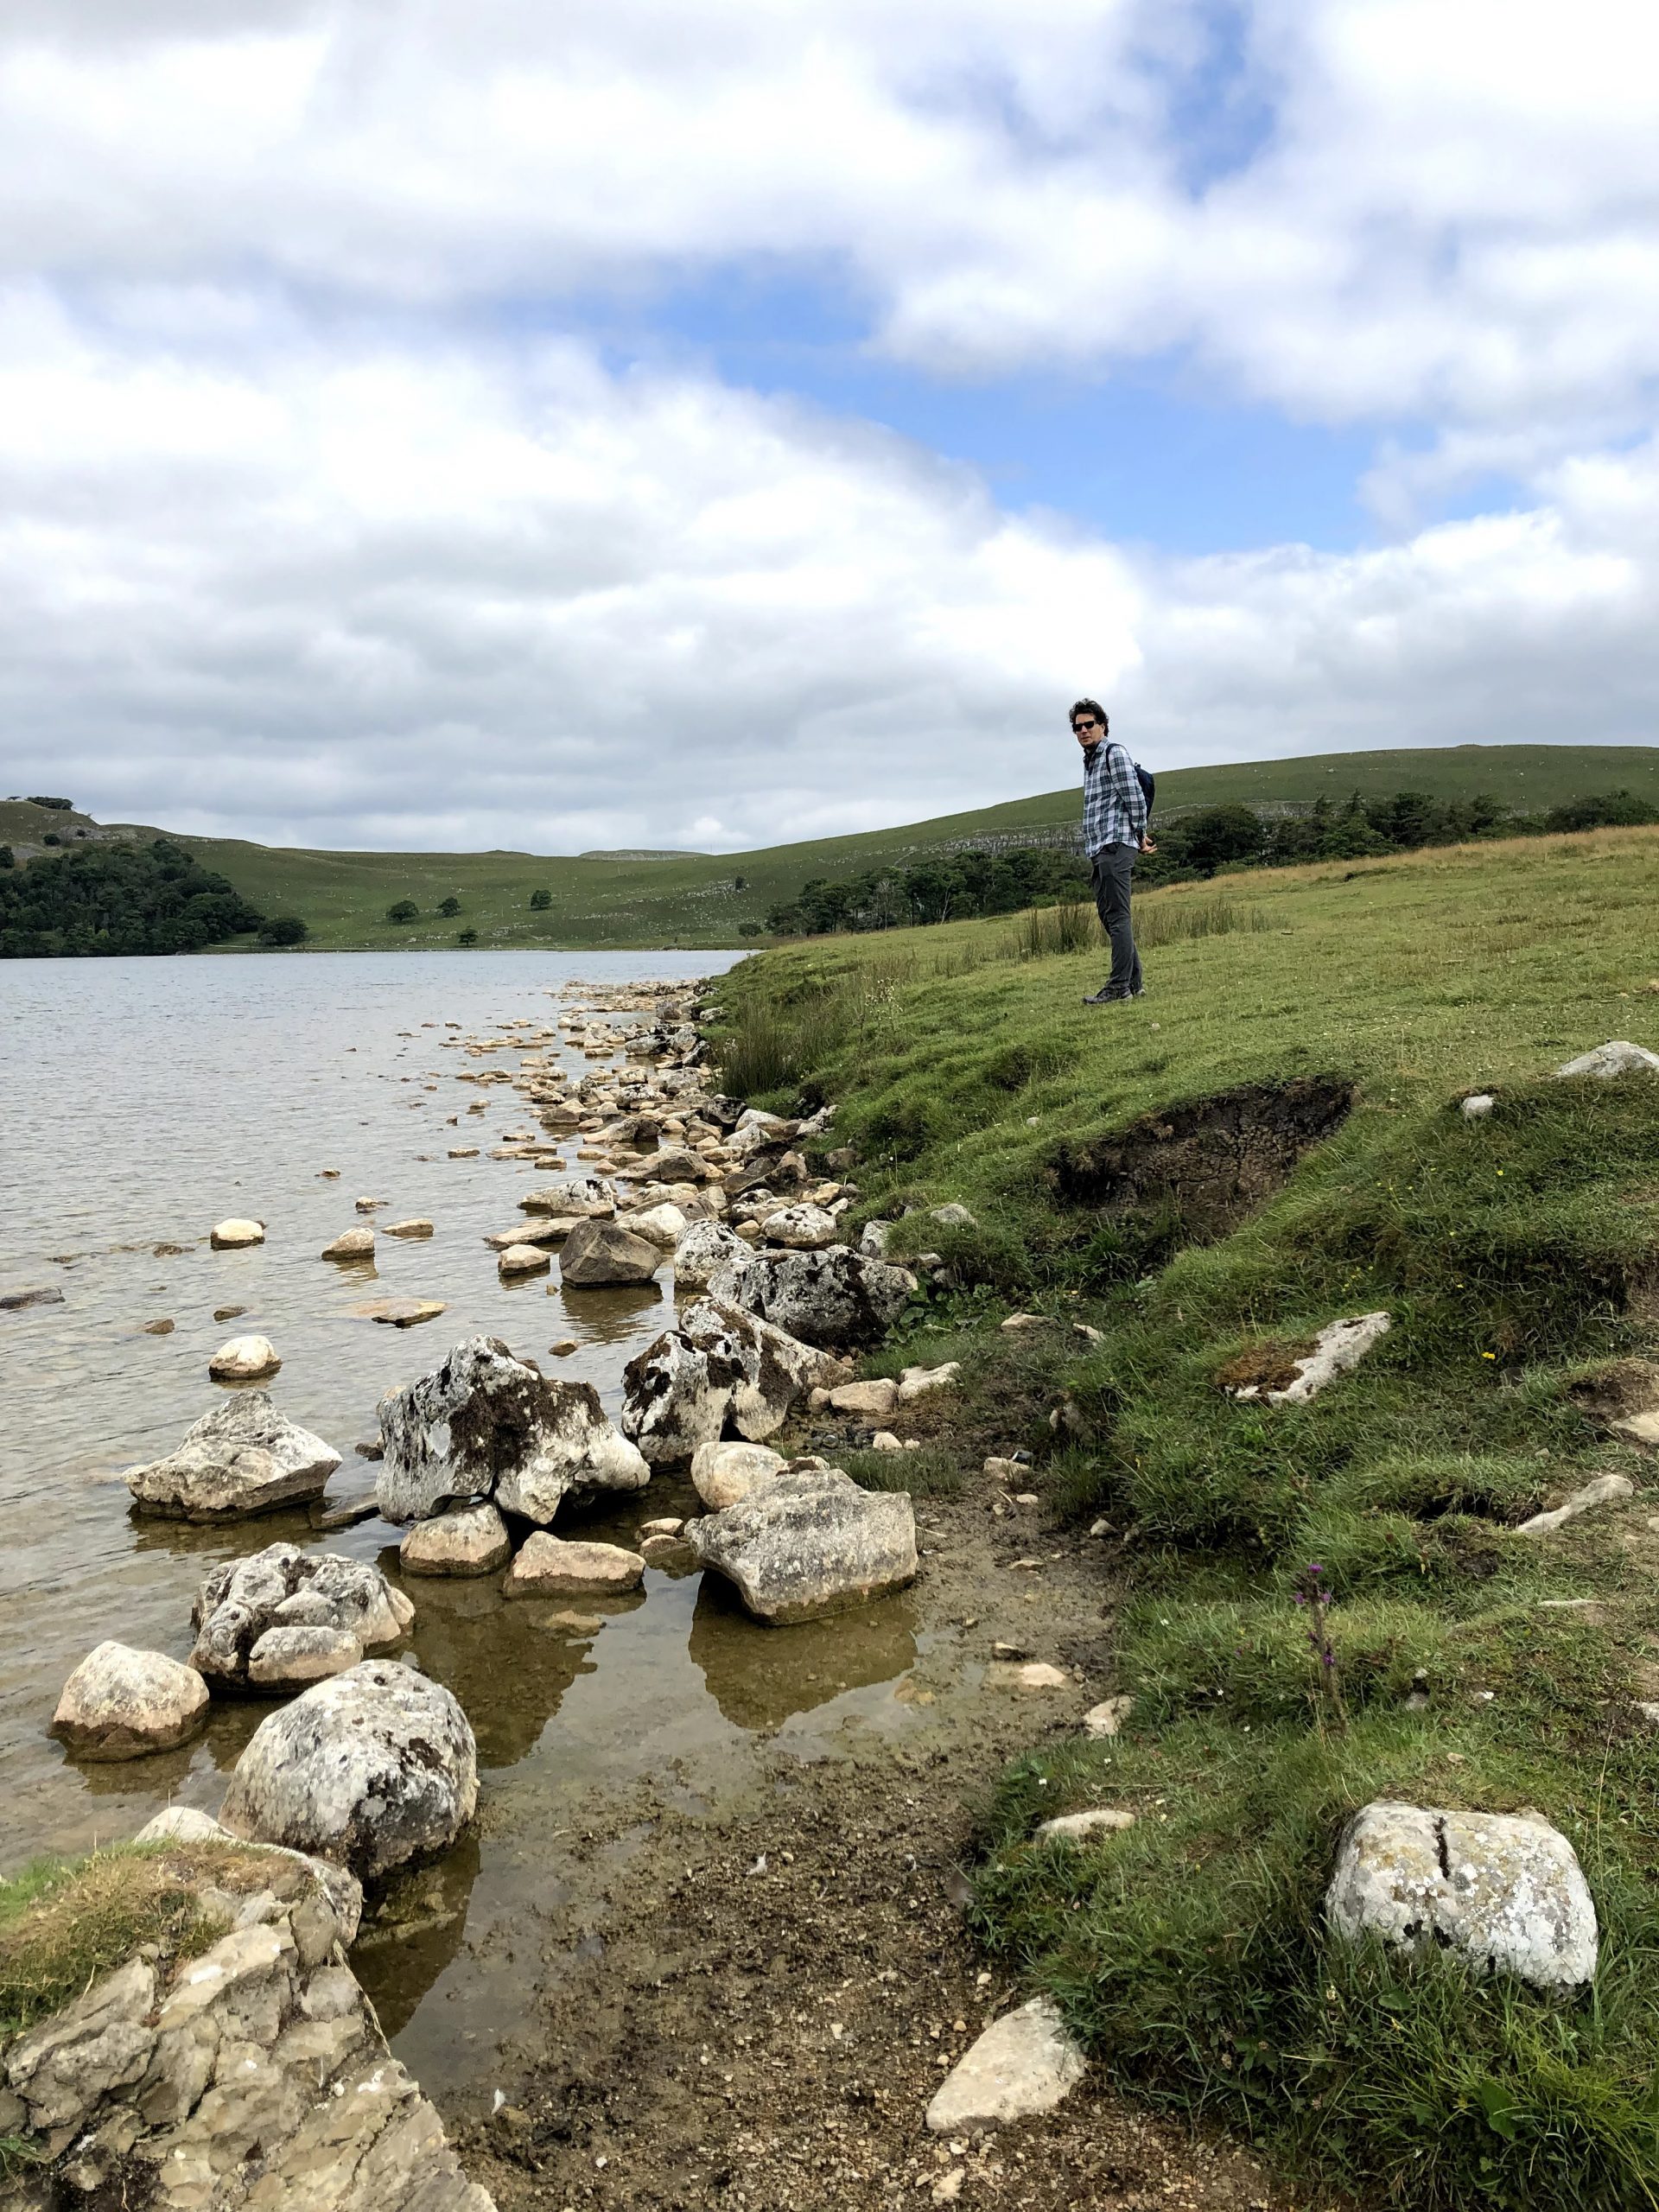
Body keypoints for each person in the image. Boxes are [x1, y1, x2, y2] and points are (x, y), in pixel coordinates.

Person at [1071, 697, 1154, 1004]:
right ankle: (1133, 982)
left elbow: (1134, 797)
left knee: (1118, 916)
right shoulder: (1091, 761)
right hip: (1100, 847)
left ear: (1102, 726)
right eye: (1078, 727)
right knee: (1109, 916)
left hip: (1116, 843)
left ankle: (1119, 986)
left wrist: (1141, 835)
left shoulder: (1114, 754)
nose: (1083, 730)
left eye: (1089, 724)